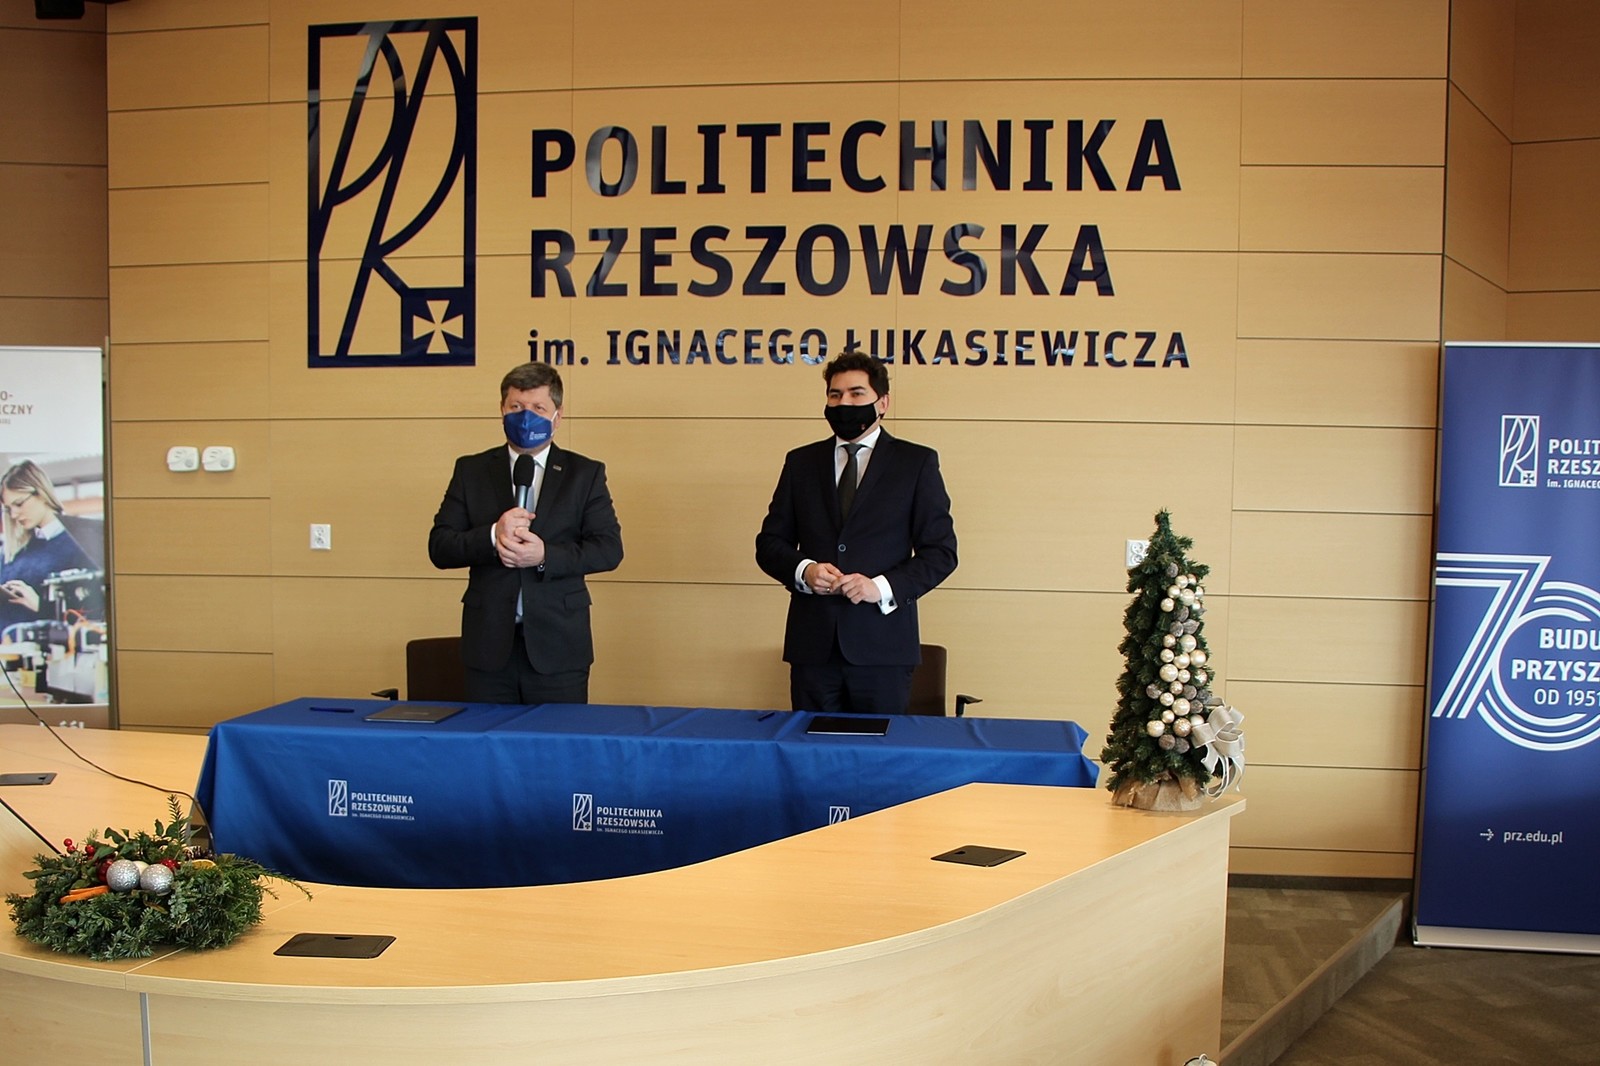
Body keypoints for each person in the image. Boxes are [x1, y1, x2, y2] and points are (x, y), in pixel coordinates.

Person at [756, 350, 958, 715]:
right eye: (835, 395)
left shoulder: (916, 463)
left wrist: (879, 587)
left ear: (883, 403)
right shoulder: (801, 462)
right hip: (813, 649)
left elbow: (940, 552)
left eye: (856, 393)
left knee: (879, 749)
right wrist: (805, 571)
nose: (844, 403)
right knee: (811, 747)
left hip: (883, 649)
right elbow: (770, 544)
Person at [428, 363, 623, 704]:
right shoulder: (471, 470)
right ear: (502, 410)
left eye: (538, 408)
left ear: (557, 417)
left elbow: (608, 549)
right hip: (488, 648)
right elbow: (440, 546)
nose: (526, 417)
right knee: (487, 738)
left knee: (557, 738)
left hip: (558, 648)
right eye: (516, 407)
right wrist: (492, 535)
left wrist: (545, 555)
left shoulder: (585, 473)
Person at [1, 459, 102, 630]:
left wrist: (40, 605)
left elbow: (94, 616)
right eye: (8, 509)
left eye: (19, 504)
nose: (14, 514)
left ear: (41, 493)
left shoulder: (82, 544)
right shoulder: (10, 552)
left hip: (46, 644)